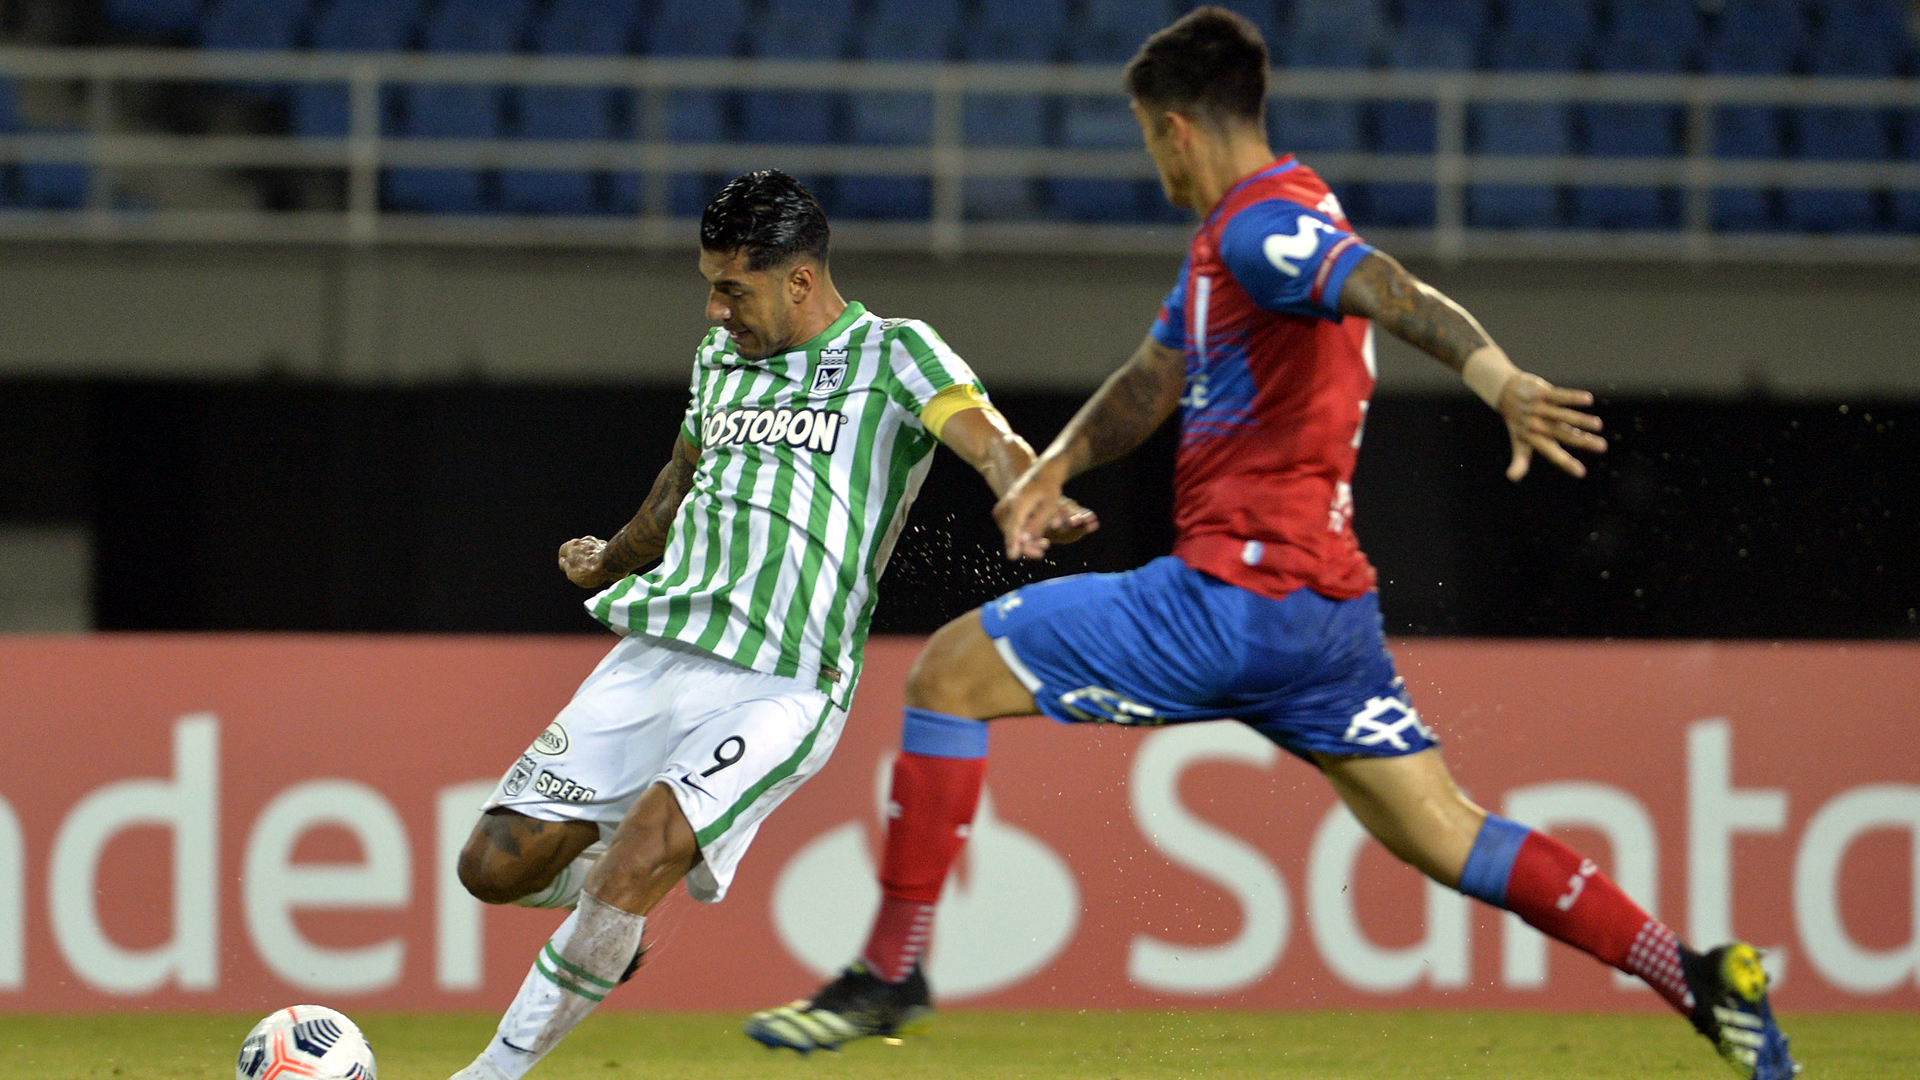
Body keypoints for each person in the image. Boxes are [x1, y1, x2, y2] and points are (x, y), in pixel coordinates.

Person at [743, 11, 1797, 1080]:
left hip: (1230, 600)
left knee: (948, 673)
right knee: (1451, 835)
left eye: (1149, 141)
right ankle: (1697, 976)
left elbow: (1388, 286)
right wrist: (1050, 470)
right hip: (1324, 621)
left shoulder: (1264, 229)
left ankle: (891, 970)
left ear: (1176, 131)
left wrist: (1499, 380)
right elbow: (1152, 380)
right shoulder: (1233, 246)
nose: (1152, 162)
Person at [447, 169, 1095, 1080]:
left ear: (798, 280)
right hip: (660, 652)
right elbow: (679, 480)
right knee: (492, 865)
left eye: (731, 288)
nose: (715, 311)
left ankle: (493, 1072)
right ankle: (606, 924)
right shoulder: (721, 362)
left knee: (639, 859)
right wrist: (611, 559)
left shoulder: (893, 353)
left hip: (783, 682)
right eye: (710, 285)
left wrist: (1029, 488)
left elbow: (985, 435)